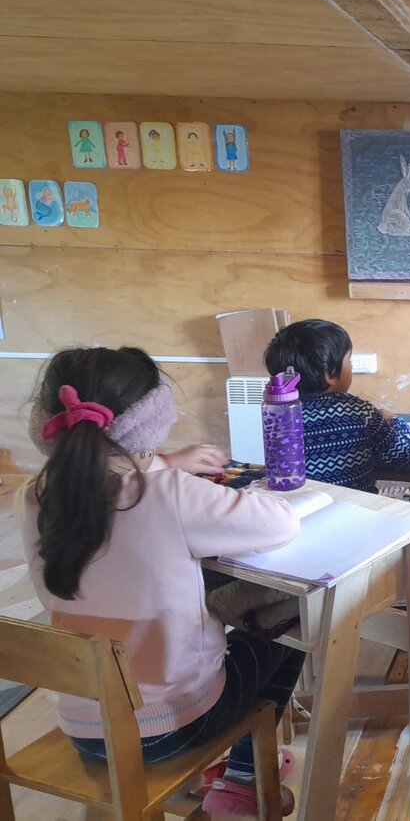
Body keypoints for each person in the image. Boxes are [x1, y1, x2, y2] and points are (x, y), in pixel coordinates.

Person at [18, 346, 303, 816]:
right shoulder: (168, 494)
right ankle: (244, 777)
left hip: (84, 727)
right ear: (151, 420)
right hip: (171, 728)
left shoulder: (33, 497)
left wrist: (164, 463)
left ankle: (225, 773)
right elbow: (280, 524)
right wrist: (166, 468)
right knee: (289, 629)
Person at [264, 318, 410, 492]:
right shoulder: (360, 412)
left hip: (302, 510)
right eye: (349, 361)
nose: (351, 366)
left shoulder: (280, 417)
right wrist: (394, 420)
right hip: (357, 509)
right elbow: (404, 458)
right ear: (330, 374)